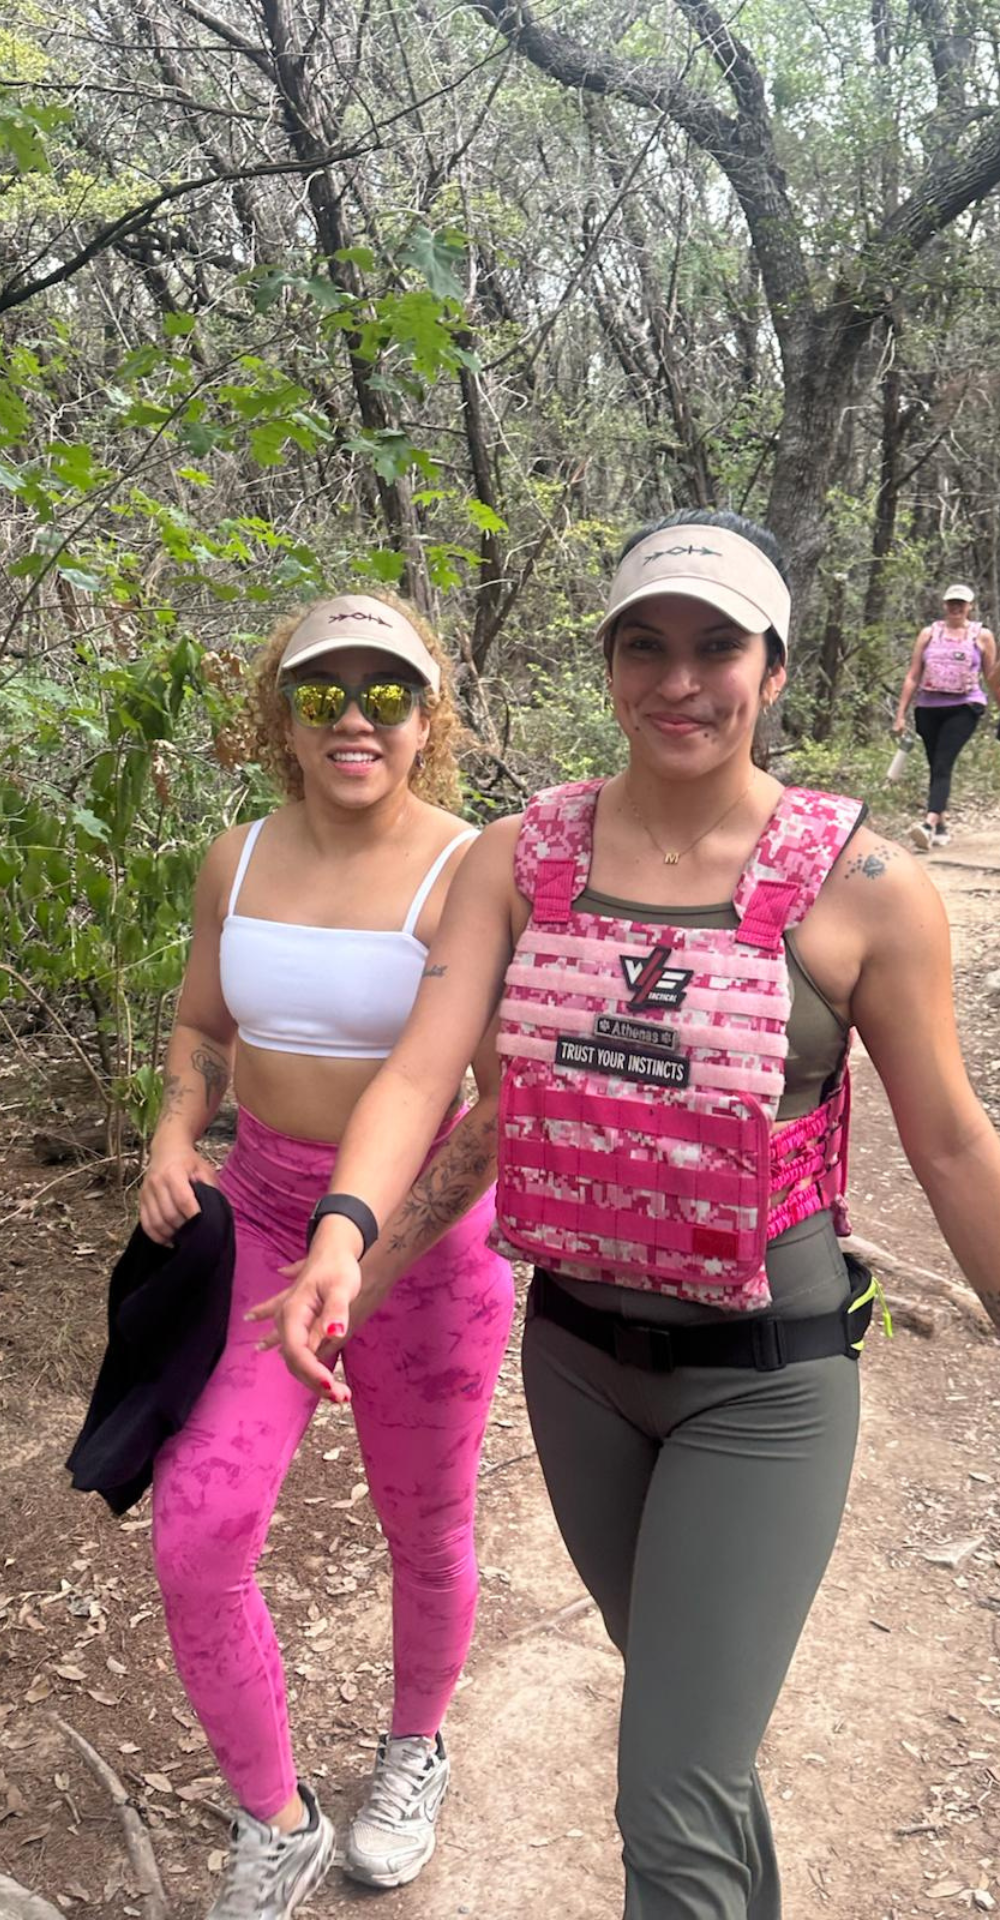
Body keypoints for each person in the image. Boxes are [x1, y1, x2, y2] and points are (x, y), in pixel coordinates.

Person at [267, 512, 1000, 1920]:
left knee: (667, 1794)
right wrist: (345, 1238)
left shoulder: (864, 887)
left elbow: (956, 1144)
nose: (679, 680)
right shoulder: (520, 858)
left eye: (718, 647)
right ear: (606, 666)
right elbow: (426, 1071)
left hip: (767, 1379)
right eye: (645, 646)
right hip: (579, 1364)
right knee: (692, 1749)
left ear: (773, 670)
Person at [139, 590, 514, 1919]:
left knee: (427, 1522)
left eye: (387, 692)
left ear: (429, 719)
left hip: (425, 1240)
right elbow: (202, 1025)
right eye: (321, 693)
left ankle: (414, 1748)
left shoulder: (473, 868)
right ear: (281, 718)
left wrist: (372, 1254)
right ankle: (276, 1818)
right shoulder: (234, 859)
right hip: (258, 1218)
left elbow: (496, 1103)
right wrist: (172, 1135)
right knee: (198, 1530)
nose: (355, 718)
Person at [893, 582, 997, 850]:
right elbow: (913, 675)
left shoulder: (982, 636)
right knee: (936, 764)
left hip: (965, 706)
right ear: (944, 605)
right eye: (952, 603)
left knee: (942, 763)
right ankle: (941, 827)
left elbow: (991, 676)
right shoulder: (929, 634)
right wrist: (900, 714)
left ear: (970, 606)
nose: (956, 608)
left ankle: (927, 824)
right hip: (928, 707)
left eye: (961, 603)